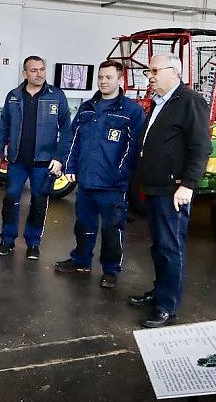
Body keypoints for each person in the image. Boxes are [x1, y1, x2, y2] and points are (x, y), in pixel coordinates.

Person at [127, 54, 211, 328]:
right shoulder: (159, 103)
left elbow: (201, 148)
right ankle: (159, 292)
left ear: (174, 72)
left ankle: (166, 306)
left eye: (153, 70)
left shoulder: (190, 101)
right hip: (153, 188)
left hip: (173, 190)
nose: (149, 76)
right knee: (159, 246)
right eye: (148, 71)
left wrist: (187, 185)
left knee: (170, 247)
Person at [54, 60, 146, 288]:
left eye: (109, 77)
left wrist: (120, 174)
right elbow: (73, 140)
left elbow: (134, 148)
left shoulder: (131, 111)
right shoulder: (87, 108)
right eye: (101, 77)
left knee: (112, 229)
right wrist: (70, 166)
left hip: (113, 186)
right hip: (85, 181)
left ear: (120, 79)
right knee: (84, 225)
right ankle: (81, 260)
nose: (104, 81)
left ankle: (111, 270)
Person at [0, 56, 72, 260]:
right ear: (25, 73)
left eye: (42, 69)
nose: (40, 74)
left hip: (44, 163)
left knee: (39, 201)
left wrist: (60, 157)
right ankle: (7, 240)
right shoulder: (14, 96)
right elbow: (3, 127)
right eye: (34, 70)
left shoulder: (57, 96)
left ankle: (33, 243)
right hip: (17, 161)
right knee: (11, 199)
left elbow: (66, 130)